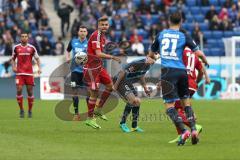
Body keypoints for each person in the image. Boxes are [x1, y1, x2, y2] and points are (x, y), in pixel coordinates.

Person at [149, 12, 209, 146]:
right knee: (186, 104)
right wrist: (205, 60)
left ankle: (183, 131)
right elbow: (199, 53)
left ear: (168, 21)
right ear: (181, 21)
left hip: (168, 72)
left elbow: (151, 55)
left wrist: (155, 57)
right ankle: (193, 129)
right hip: (182, 73)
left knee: (169, 107)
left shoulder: (161, 34)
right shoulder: (184, 35)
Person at [168, 47, 211, 143]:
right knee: (182, 108)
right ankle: (182, 135)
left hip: (182, 83)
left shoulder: (179, 51)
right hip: (192, 86)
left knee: (172, 109)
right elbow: (201, 70)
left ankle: (194, 128)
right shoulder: (193, 54)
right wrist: (197, 82)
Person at [84, 16, 121, 129]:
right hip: (91, 69)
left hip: (99, 67)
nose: (104, 27)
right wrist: (113, 57)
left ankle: (99, 109)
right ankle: (90, 119)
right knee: (94, 93)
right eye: (102, 25)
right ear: (98, 25)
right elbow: (98, 54)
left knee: (110, 86)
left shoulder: (103, 36)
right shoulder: (96, 35)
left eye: (106, 25)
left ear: (108, 25)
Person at [113, 56, 155, 133]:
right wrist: (115, 85)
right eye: (152, 59)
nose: (153, 61)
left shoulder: (148, 65)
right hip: (120, 81)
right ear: (147, 57)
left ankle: (134, 126)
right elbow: (123, 72)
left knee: (138, 102)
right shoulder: (138, 63)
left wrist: (145, 88)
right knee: (132, 100)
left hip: (128, 82)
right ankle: (122, 123)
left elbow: (141, 76)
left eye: (154, 60)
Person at [11, 32, 41, 118]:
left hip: (29, 73)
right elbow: (12, 59)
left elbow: (37, 59)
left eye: (25, 36)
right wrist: (13, 66)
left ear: (28, 38)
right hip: (19, 73)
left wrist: (39, 68)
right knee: (19, 89)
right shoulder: (16, 48)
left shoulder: (32, 48)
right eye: (22, 36)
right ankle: (21, 110)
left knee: (30, 92)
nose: (24, 38)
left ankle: (30, 110)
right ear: (20, 38)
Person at [66, 26, 88, 121]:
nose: (82, 33)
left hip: (86, 71)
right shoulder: (73, 42)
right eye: (81, 31)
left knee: (89, 93)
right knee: (74, 92)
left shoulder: (89, 43)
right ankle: (76, 114)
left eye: (84, 31)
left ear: (86, 33)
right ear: (78, 32)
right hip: (75, 71)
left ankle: (90, 114)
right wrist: (67, 58)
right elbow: (67, 50)